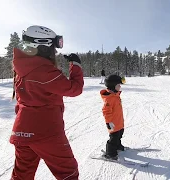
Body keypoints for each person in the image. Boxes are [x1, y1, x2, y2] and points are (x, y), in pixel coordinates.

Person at [10, 25, 84, 180]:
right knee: (68, 172)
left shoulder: (22, 67)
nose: (55, 51)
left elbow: (22, 99)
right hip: (46, 132)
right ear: (42, 45)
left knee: (22, 174)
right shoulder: (44, 70)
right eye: (52, 47)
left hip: (22, 131)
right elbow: (74, 89)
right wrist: (76, 66)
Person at [100, 74, 125, 160]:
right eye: (118, 85)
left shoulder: (116, 95)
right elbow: (106, 111)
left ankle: (118, 146)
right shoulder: (109, 98)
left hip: (119, 122)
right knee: (113, 139)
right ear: (113, 86)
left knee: (119, 135)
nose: (120, 86)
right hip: (113, 123)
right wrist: (108, 122)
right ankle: (110, 154)